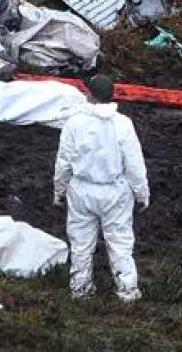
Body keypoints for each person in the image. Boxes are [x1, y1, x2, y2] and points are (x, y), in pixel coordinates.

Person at [53, 74, 150, 301]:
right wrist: (141, 194)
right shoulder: (123, 124)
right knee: (120, 242)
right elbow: (134, 164)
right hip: (115, 192)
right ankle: (126, 292)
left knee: (81, 242)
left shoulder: (74, 123)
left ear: (89, 93)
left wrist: (59, 191)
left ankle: (81, 289)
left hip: (81, 190)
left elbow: (64, 161)